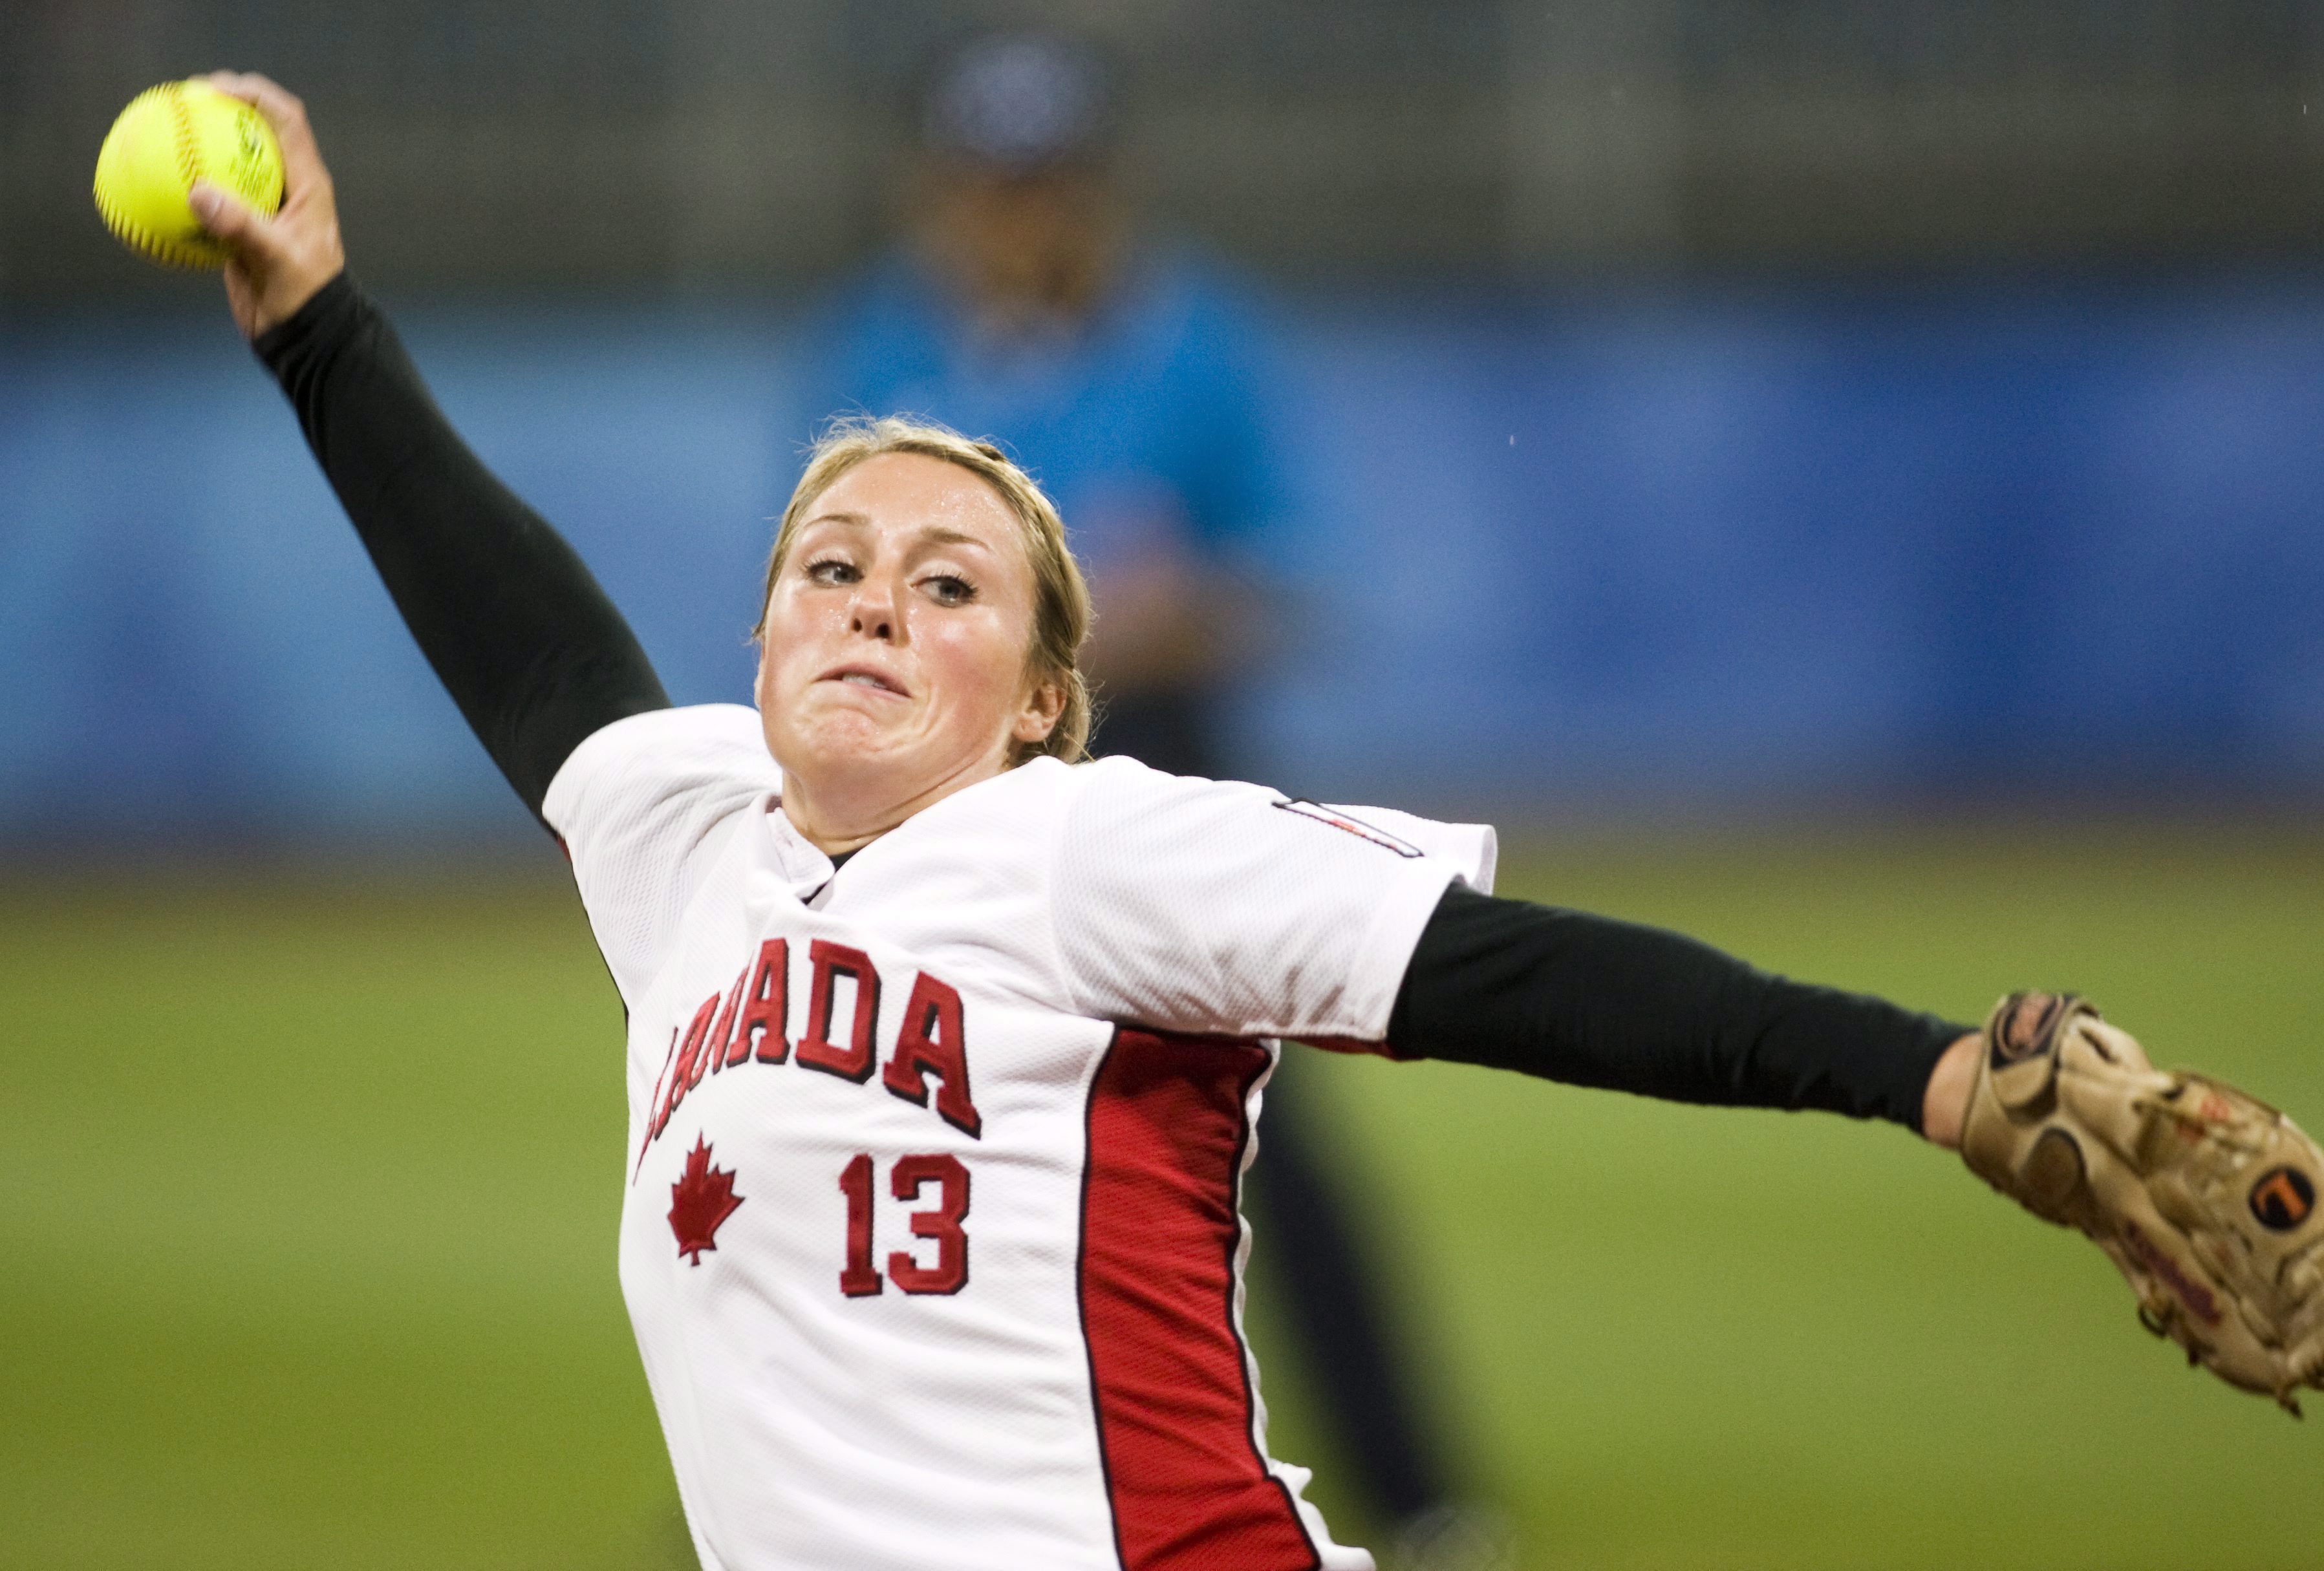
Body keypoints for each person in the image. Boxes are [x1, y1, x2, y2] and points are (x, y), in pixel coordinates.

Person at [186, 72, 2322, 1571]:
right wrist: (314, 326)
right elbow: (529, 648)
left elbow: (1508, 978)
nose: (868, 595)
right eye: (829, 563)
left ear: (1035, 702)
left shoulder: (1087, 845)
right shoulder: (691, 848)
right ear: (757, 639)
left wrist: (1931, 1076)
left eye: (949, 585)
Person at [807, 34, 1478, 1557]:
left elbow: (1286, 574)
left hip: (1159, 768)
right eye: (992, 186)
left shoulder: (1194, 340)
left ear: (1102, 190)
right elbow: (822, 577)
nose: (1019, 217)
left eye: (1045, 185)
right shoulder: (877, 348)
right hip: (938, 800)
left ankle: (1421, 1499)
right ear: (938, 194)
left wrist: (1163, 613)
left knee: (1263, 1147)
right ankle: (799, 1510)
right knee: (881, 1156)